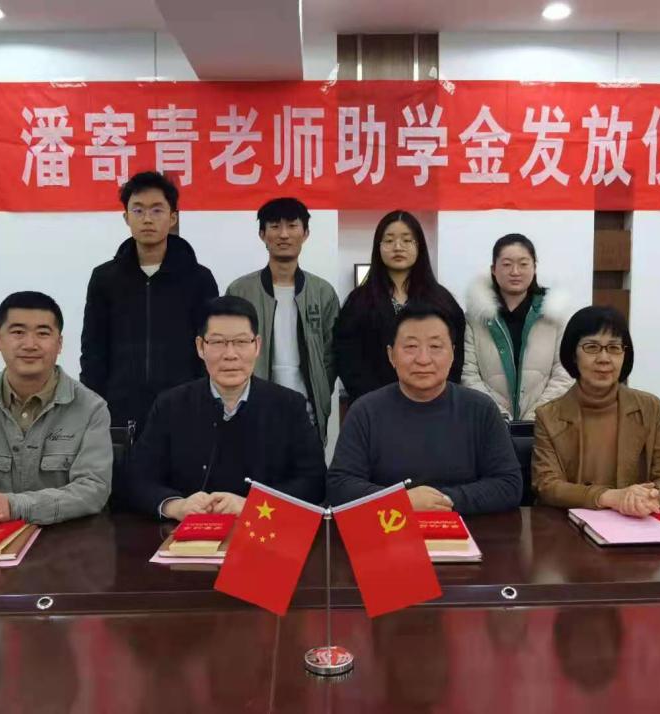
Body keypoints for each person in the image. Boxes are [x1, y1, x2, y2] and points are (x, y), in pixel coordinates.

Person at [126, 296, 327, 520]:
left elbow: (314, 481)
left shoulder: (289, 406)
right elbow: (137, 478)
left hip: (263, 531)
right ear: (200, 347)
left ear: (257, 346)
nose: (230, 354)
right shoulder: (170, 405)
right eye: (218, 342)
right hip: (186, 534)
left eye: (241, 342)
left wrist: (253, 505)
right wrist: (177, 506)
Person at [0, 291, 112, 532]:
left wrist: (13, 507)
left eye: (43, 333)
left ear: (59, 344)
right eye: (18, 332)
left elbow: (93, 490)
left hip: (66, 543)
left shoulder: (91, 408)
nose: (30, 344)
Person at [327, 302, 522, 515]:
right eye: (411, 347)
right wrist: (401, 501)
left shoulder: (481, 409)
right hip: (388, 528)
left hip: (467, 528)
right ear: (391, 355)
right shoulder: (365, 411)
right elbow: (340, 485)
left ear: (453, 354)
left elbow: (508, 485)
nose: (423, 359)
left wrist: (444, 501)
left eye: (435, 347)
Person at [80, 170, 219, 429]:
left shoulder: (199, 278)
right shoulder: (105, 278)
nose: (147, 219)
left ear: (172, 217)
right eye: (138, 210)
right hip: (118, 410)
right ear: (126, 217)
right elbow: (93, 349)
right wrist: (92, 406)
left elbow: (210, 346)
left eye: (157, 210)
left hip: (185, 406)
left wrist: (206, 402)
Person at [532, 306, 660, 515]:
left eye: (614, 347)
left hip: (636, 523)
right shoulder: (548, 416)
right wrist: (610, 497)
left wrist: (651, 497)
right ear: (573, 354)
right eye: (592, 347)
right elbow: (547, 485)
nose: (604, 358)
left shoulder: (650, 407)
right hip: (569, 527)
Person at [226, 197, 339, 442]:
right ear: (262, 234)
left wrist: (320, 391)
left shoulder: (323, 292)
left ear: (305, 233)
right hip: (254, 411)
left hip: (308, 414)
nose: (284, 234)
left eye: (292, 226)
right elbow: (229, 348)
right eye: (275, 226)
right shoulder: (240, 291)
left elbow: (331, 355)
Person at [334, 210, 465, 406]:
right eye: (389, 240)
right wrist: (377, 401)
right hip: (374, 407)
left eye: (407, 240)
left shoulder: (442, 300)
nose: (398, 247)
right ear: (378, 247)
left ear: (419, 246)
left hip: (433, 404)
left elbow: (456, 355)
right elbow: (347, 358)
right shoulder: (358, 301)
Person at [463, 233, 574, 421]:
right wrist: (497, 417)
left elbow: (564, 373)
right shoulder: (475, 318)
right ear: (493, 269)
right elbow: (468, 373)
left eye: (523, 264)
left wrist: (536, 417)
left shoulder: (555, 315)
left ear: (534, 267)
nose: (515, 271)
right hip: (489, 423)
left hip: (545, 423)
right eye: (507, 264)